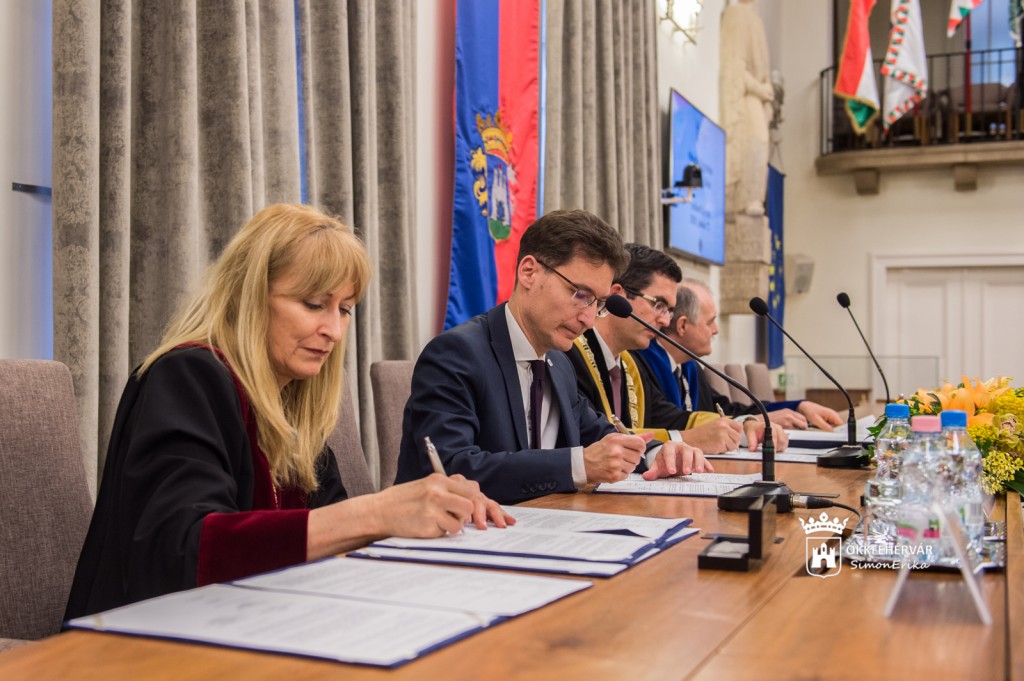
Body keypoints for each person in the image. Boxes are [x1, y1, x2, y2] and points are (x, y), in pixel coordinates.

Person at [65, 204, 511, 619]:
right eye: (313, 304)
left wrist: (425, 511)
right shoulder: (186, 375)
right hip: (150, 642)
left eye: (345, 310)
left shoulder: (291, 398)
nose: (334, 330)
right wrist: (377, 513)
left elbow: (333, 528)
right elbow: (184, 549)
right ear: (248, 296)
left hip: (261, 624)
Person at [394, 210, 711, 504]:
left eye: (598, 303)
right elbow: (452, 468)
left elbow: (600, 434)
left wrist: (657, 453)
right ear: (529, 272)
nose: (589, 319)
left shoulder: (558, 363)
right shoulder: (456, 354)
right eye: (581, 295)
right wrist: (579, 465)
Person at [567, 244, 786, 454]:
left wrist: (745, 427)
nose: (665, 321)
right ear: (618, 295)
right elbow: (589, 437)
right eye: (658, 305)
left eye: (669, 310)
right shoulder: (569, 355)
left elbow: (671, 418)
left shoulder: (630, 365)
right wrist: (686, 439)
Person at [636, 278, 843, 430]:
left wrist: (798, 406)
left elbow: (726, 410)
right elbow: (669, 421)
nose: (716, 330)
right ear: (682, 326)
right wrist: (750, 422)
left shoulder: (689, 366)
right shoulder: (643, 362)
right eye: (710, 322)